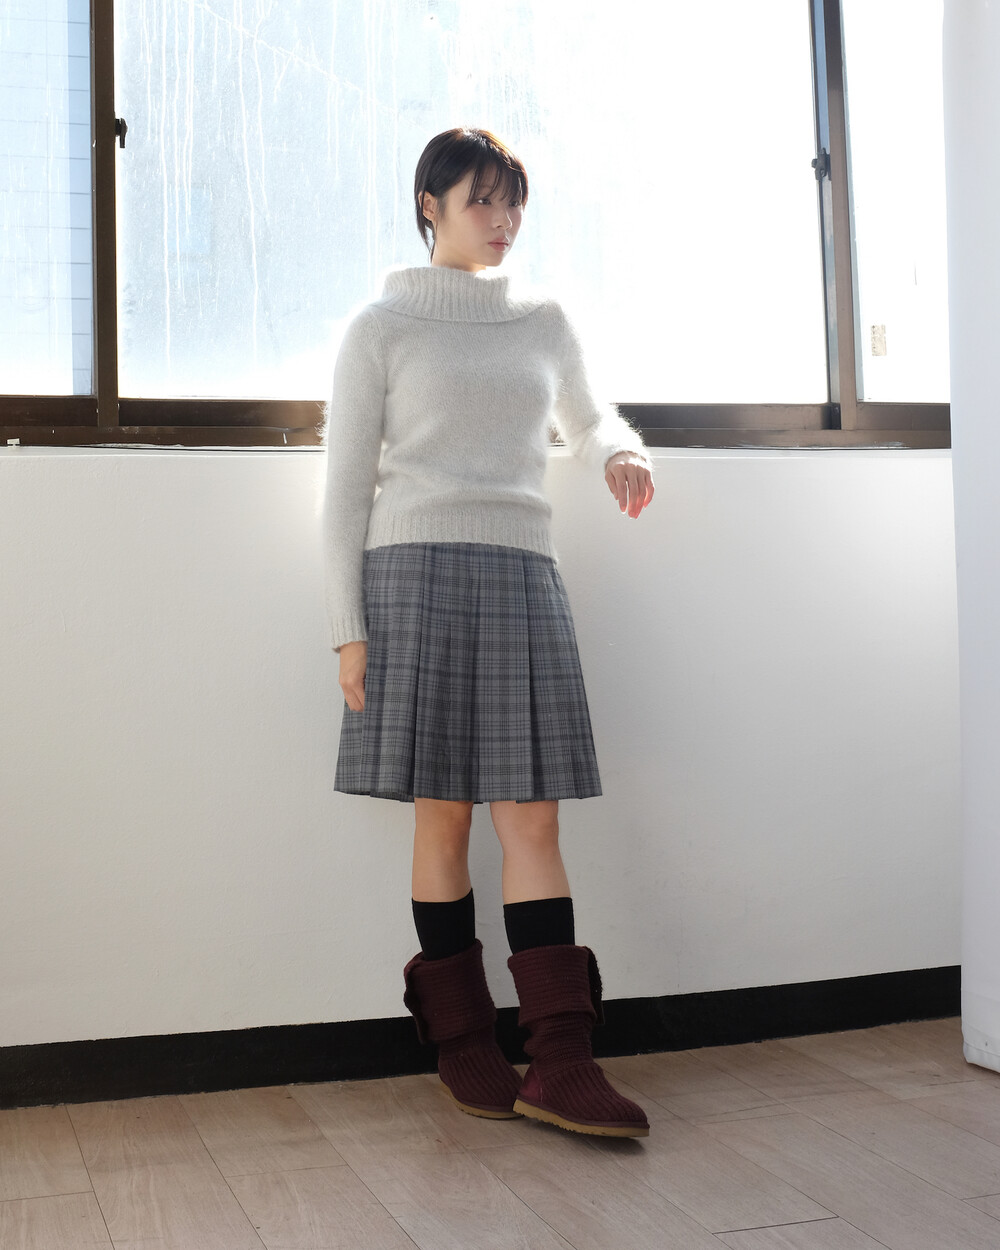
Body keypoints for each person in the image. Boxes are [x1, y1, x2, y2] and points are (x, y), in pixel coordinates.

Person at [322, 127, 655, 1138]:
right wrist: (347, 628)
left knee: (534, 822)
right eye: (482, 201)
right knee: (443, 818)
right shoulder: (379, 328)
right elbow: (344, 489)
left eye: (514, 203)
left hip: (520, 572)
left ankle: (562, 1058)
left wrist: (621, 452)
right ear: (430, 204)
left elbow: (589, 418)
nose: (503, 220)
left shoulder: (542, 321)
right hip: (411, 576)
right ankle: (465, 1044)